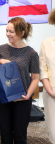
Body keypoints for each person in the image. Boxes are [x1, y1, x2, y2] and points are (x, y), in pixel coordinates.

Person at [0, 17, 39, 144]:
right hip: (3, 96)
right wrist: (0, 62)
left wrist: (27, 96)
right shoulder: (1, 49)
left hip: (22, 98)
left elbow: (35, 79)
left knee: (20, 134)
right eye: (6, 31)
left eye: (11, 32)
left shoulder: (31, 53)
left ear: (21, 33)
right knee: (5, 132)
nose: (8, 34)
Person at [39, 8, 55, 143]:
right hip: (52, 94)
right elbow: (43, 69)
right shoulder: (47, 43)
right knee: (54, 132)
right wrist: (50, 91)